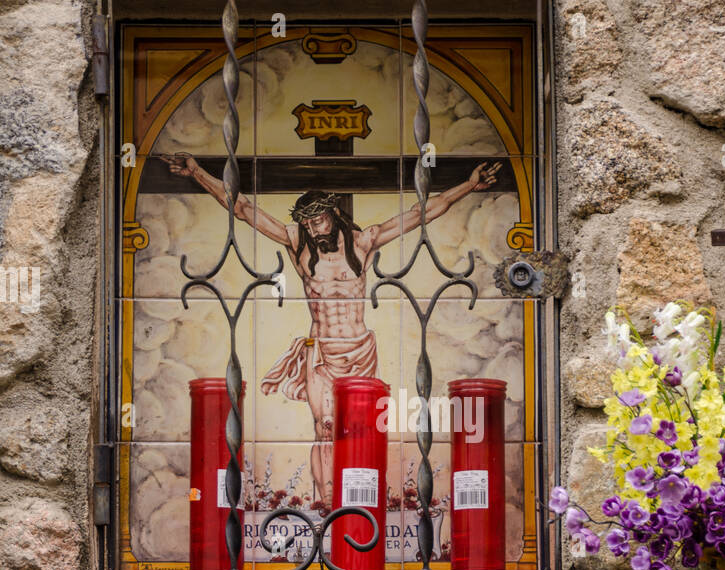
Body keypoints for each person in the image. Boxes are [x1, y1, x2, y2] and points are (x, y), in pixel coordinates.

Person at [163, 152, 501, 507]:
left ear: (333, 215)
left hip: (359, 350)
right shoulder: (297, 243)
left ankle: (356, 505)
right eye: (307, 224)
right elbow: (243, 209)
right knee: (324, 428)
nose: (313, 229)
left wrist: (471, 186)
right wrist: (197, 172)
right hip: (321, 351)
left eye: (318, 221)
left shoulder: (363, 242)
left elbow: (421, 214)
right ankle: (327, 504)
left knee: (357, 431)